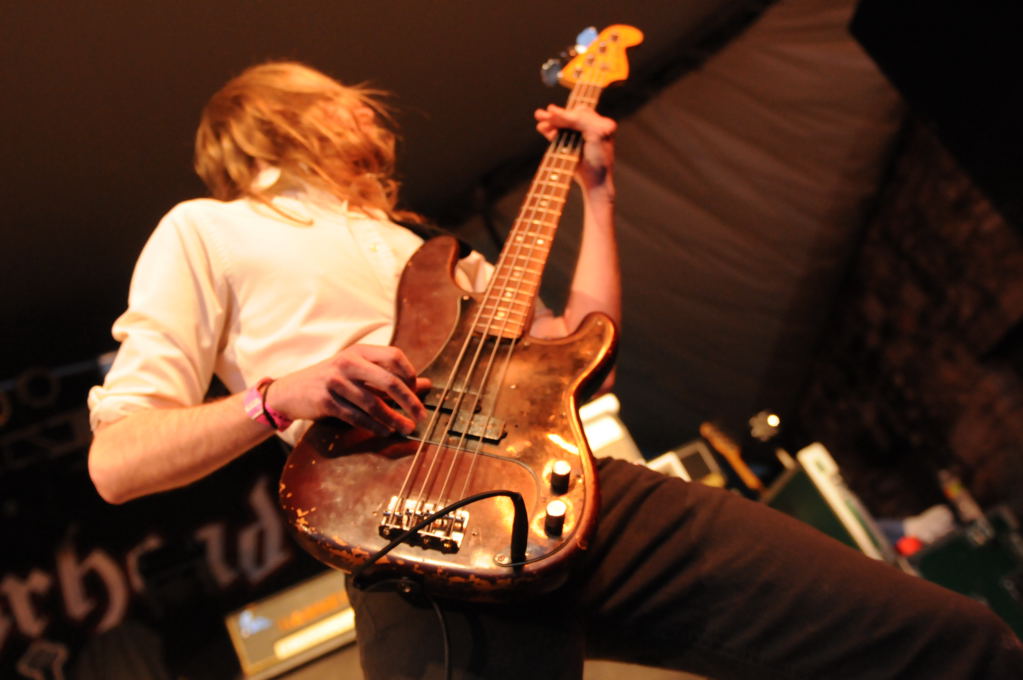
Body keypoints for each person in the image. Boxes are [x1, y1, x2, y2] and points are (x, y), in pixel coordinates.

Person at [88, 61, 1023, 679]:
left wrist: (598, 196)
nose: (366, 110)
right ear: (277, 118)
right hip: (412, 530)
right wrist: (275, 398)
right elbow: (116, 461)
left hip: (569, 485)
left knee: (948, 644)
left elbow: (581, 350)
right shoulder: (208, 230)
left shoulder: (422, 245)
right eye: (338, 98)